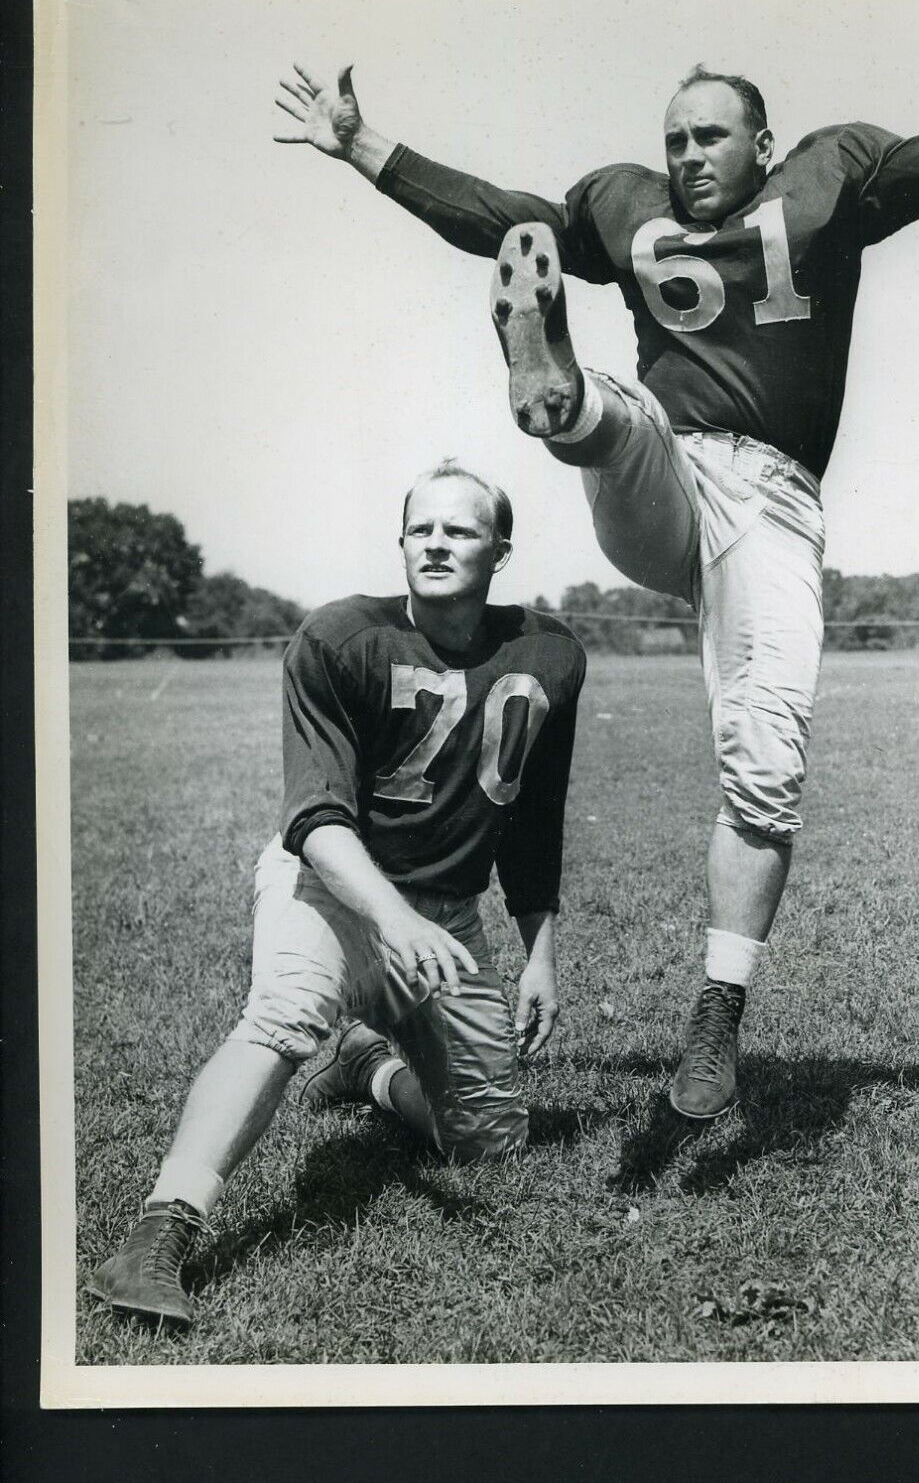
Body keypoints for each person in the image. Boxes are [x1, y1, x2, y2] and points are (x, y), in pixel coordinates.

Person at [273, 0, 919, 1122]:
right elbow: (508, 219)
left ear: (762, 139)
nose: (690, 154)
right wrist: (367, 149)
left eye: (711, 135)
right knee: (620, 414)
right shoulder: (626, 207)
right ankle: (548, 385)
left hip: (774, 501)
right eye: (676, 139)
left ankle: (717, 1009)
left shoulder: (828, 178)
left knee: (766, 758)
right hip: (665, 464)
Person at [87, 462, 586, 1328]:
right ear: (399, 541)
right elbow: (313, 817)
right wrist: (390, 920)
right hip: (329, 889)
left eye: (460, 530)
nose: (435, 541)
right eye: (419, 528)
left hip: (448, 913)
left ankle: (369, 1066)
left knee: (490, 1144)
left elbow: (533, 821)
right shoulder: (340, 637)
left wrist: (541, 954)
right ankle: (157, 1235)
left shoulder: (548, 655)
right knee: (282, 1014)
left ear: (500, 552)